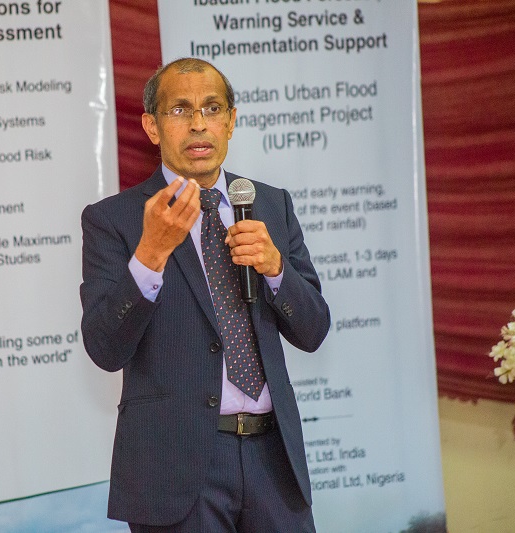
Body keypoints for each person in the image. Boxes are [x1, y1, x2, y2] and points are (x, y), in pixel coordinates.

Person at [80, 57, 330, 532]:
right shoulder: (114, 219)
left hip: (273, 461)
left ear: (231, 121)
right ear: (152, 127)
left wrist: (276, 269)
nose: (198, 123)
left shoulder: (269, 204)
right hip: (176, 468)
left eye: (212, 108)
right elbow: (104, 348)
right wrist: (150, 253)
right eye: (179, 110)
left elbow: (314, 330)